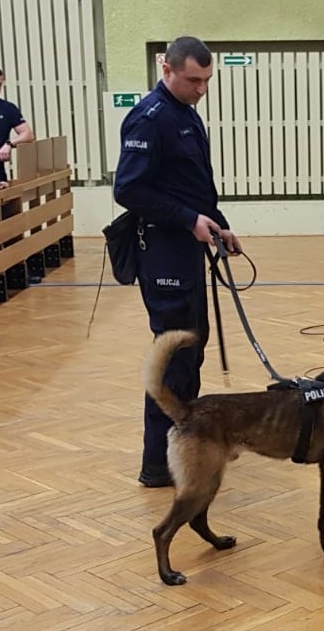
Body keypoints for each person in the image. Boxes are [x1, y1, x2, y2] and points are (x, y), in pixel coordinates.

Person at [113, 36, 243, 488]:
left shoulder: (186, 112)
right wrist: (188, 220)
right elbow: (128, 189)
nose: (201, 89)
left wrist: (218, 225)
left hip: (186, 249)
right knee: (173, 359)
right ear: (165, 68)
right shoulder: (149, 118)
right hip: (164, 252)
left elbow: (192, 185)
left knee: (191, 351)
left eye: (207, 80)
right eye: (193, 80)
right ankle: (158, 464)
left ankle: (187, 447)